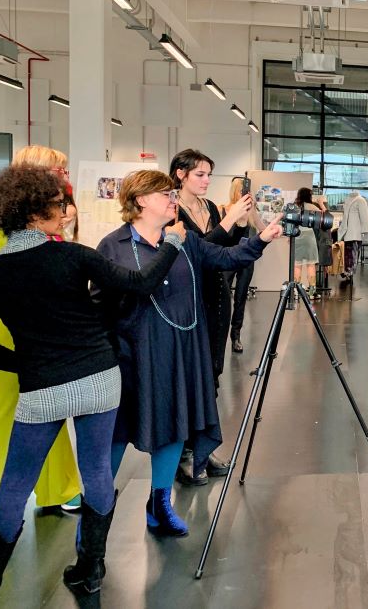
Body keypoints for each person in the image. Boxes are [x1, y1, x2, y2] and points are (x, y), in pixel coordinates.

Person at [0, 165, 184, 600]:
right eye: (59, 205)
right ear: (35, 211)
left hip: (40, 386)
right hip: (99, 377)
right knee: (97, 470)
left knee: (14, 484)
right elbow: (139, 283)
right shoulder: (73, 256)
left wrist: (24, 362)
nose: (65, 212)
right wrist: (172, 244)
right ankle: (90, 569)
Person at [96, 170, 282, 537]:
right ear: (140, 201)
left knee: (174, 427)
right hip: (131, 356)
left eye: (171, 193)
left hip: (180, 351)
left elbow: (228, 257)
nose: (172, 198)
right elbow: (100, 304)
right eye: (164, 193)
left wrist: (261, 238)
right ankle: (96, 518)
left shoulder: (186, 241)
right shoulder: (113, 246)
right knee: (115, 434)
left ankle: (159, 506)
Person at [0, 145, 82, 516]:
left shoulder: (46, 221)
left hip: (40, 328)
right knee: (4, 410)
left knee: (48, 405)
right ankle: (0, 490)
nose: (64, 177)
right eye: (57, 172)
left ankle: (58, 486)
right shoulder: (1, 232)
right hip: (7, 329)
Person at [169, 149, 253, 483]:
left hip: (217, 298)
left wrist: (241, 225)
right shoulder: (171, 210)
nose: (205, 181)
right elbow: (198, 251)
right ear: (180, 174)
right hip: (187, 301)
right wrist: (230, 220)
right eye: (199, 174)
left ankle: (202, 448)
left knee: (212, 376)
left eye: (208, 175)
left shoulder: (211, 208)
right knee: (190, 377)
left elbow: (223, 252)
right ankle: (185, 453)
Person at [221, 177, 267, 354]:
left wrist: (254, 211)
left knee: (240, 298)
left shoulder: (250, 211)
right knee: (223, 297)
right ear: (235, 191)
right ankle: (221, 335)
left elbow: (263, 229)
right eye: (243, 190)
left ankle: (236, 336)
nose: (246, 193)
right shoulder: (224, 209)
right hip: (227, 259)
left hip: (245, 261)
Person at [292, 187, 323, 298]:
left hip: (297, 235)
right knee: (311, 264)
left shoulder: (294, 207)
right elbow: (324, 217)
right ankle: (311, 292)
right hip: (309, 236)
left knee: (297, 264)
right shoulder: (312, 207)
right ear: (308, 196)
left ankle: (295, 291)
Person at [338, 189, 368, 281]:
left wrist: (365, 232)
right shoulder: (349, 200)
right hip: (348, 233)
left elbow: (364, 218)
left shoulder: (359, 200)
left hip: (353, 234)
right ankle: (347, 271)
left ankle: (349, 272)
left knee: (352, 255)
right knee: (348, 254)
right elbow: (346, 217)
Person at [313, 194, 333, 291]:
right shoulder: (320, 216)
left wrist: (321, 204)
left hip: (323, 241)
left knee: (321, 262)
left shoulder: (320, 216)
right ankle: (316, 286)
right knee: (318, 262)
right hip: (321, 241)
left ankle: (318, 286)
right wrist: (321, 204)